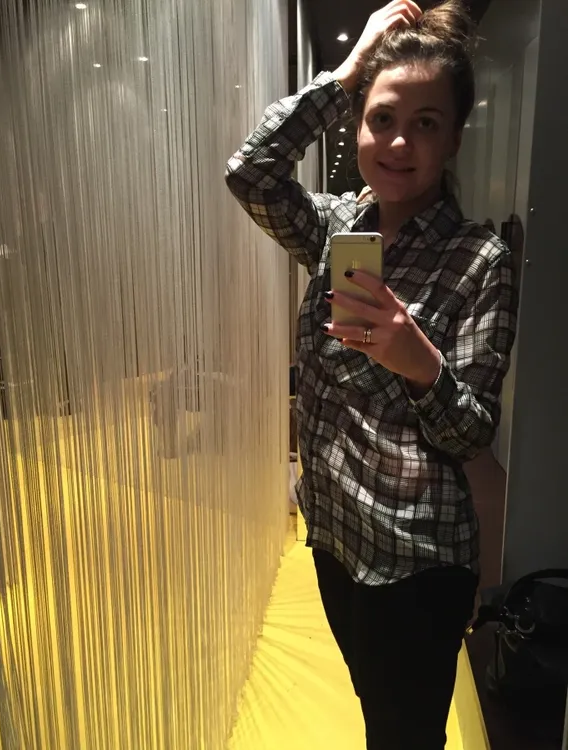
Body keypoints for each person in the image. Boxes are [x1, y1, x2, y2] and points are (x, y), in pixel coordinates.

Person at [225, 0, 518, 747]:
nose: (398, 142)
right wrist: (348, 72)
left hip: (416, 563)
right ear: (356, 125)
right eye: (381, 118)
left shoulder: (478, 260)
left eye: (426, 123)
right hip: (335, 537)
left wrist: (418, 363)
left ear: (453, 139)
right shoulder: (335, 229)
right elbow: (251, 174)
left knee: (404, 735)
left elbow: (472, 435)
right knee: (375, 711)